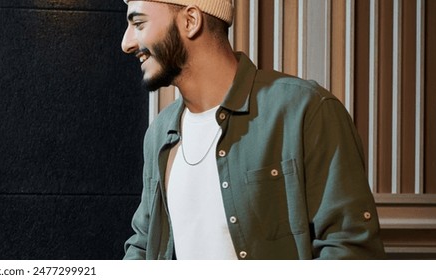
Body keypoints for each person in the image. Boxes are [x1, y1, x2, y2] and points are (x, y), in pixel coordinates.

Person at [120, 0, 386, 259]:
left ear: (190, 21)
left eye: (139, 24)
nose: (126, 43)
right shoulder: (160, 133)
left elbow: (349, 248)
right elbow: (144, 246)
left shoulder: (304, 110)